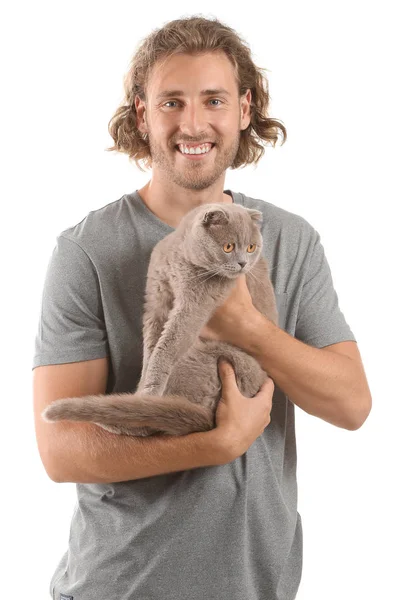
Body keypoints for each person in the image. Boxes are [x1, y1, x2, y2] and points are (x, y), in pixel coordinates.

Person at [32, 15, 372, 600]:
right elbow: (61, 450)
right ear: (143, 115)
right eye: (172, 102)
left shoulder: (288, 240)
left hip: (257, 586)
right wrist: (215, 444)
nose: (193, 123)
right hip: (120, 587)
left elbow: (351, 404)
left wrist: (249, 329)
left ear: (243, 110)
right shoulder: (87, 249)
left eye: (213, 100)